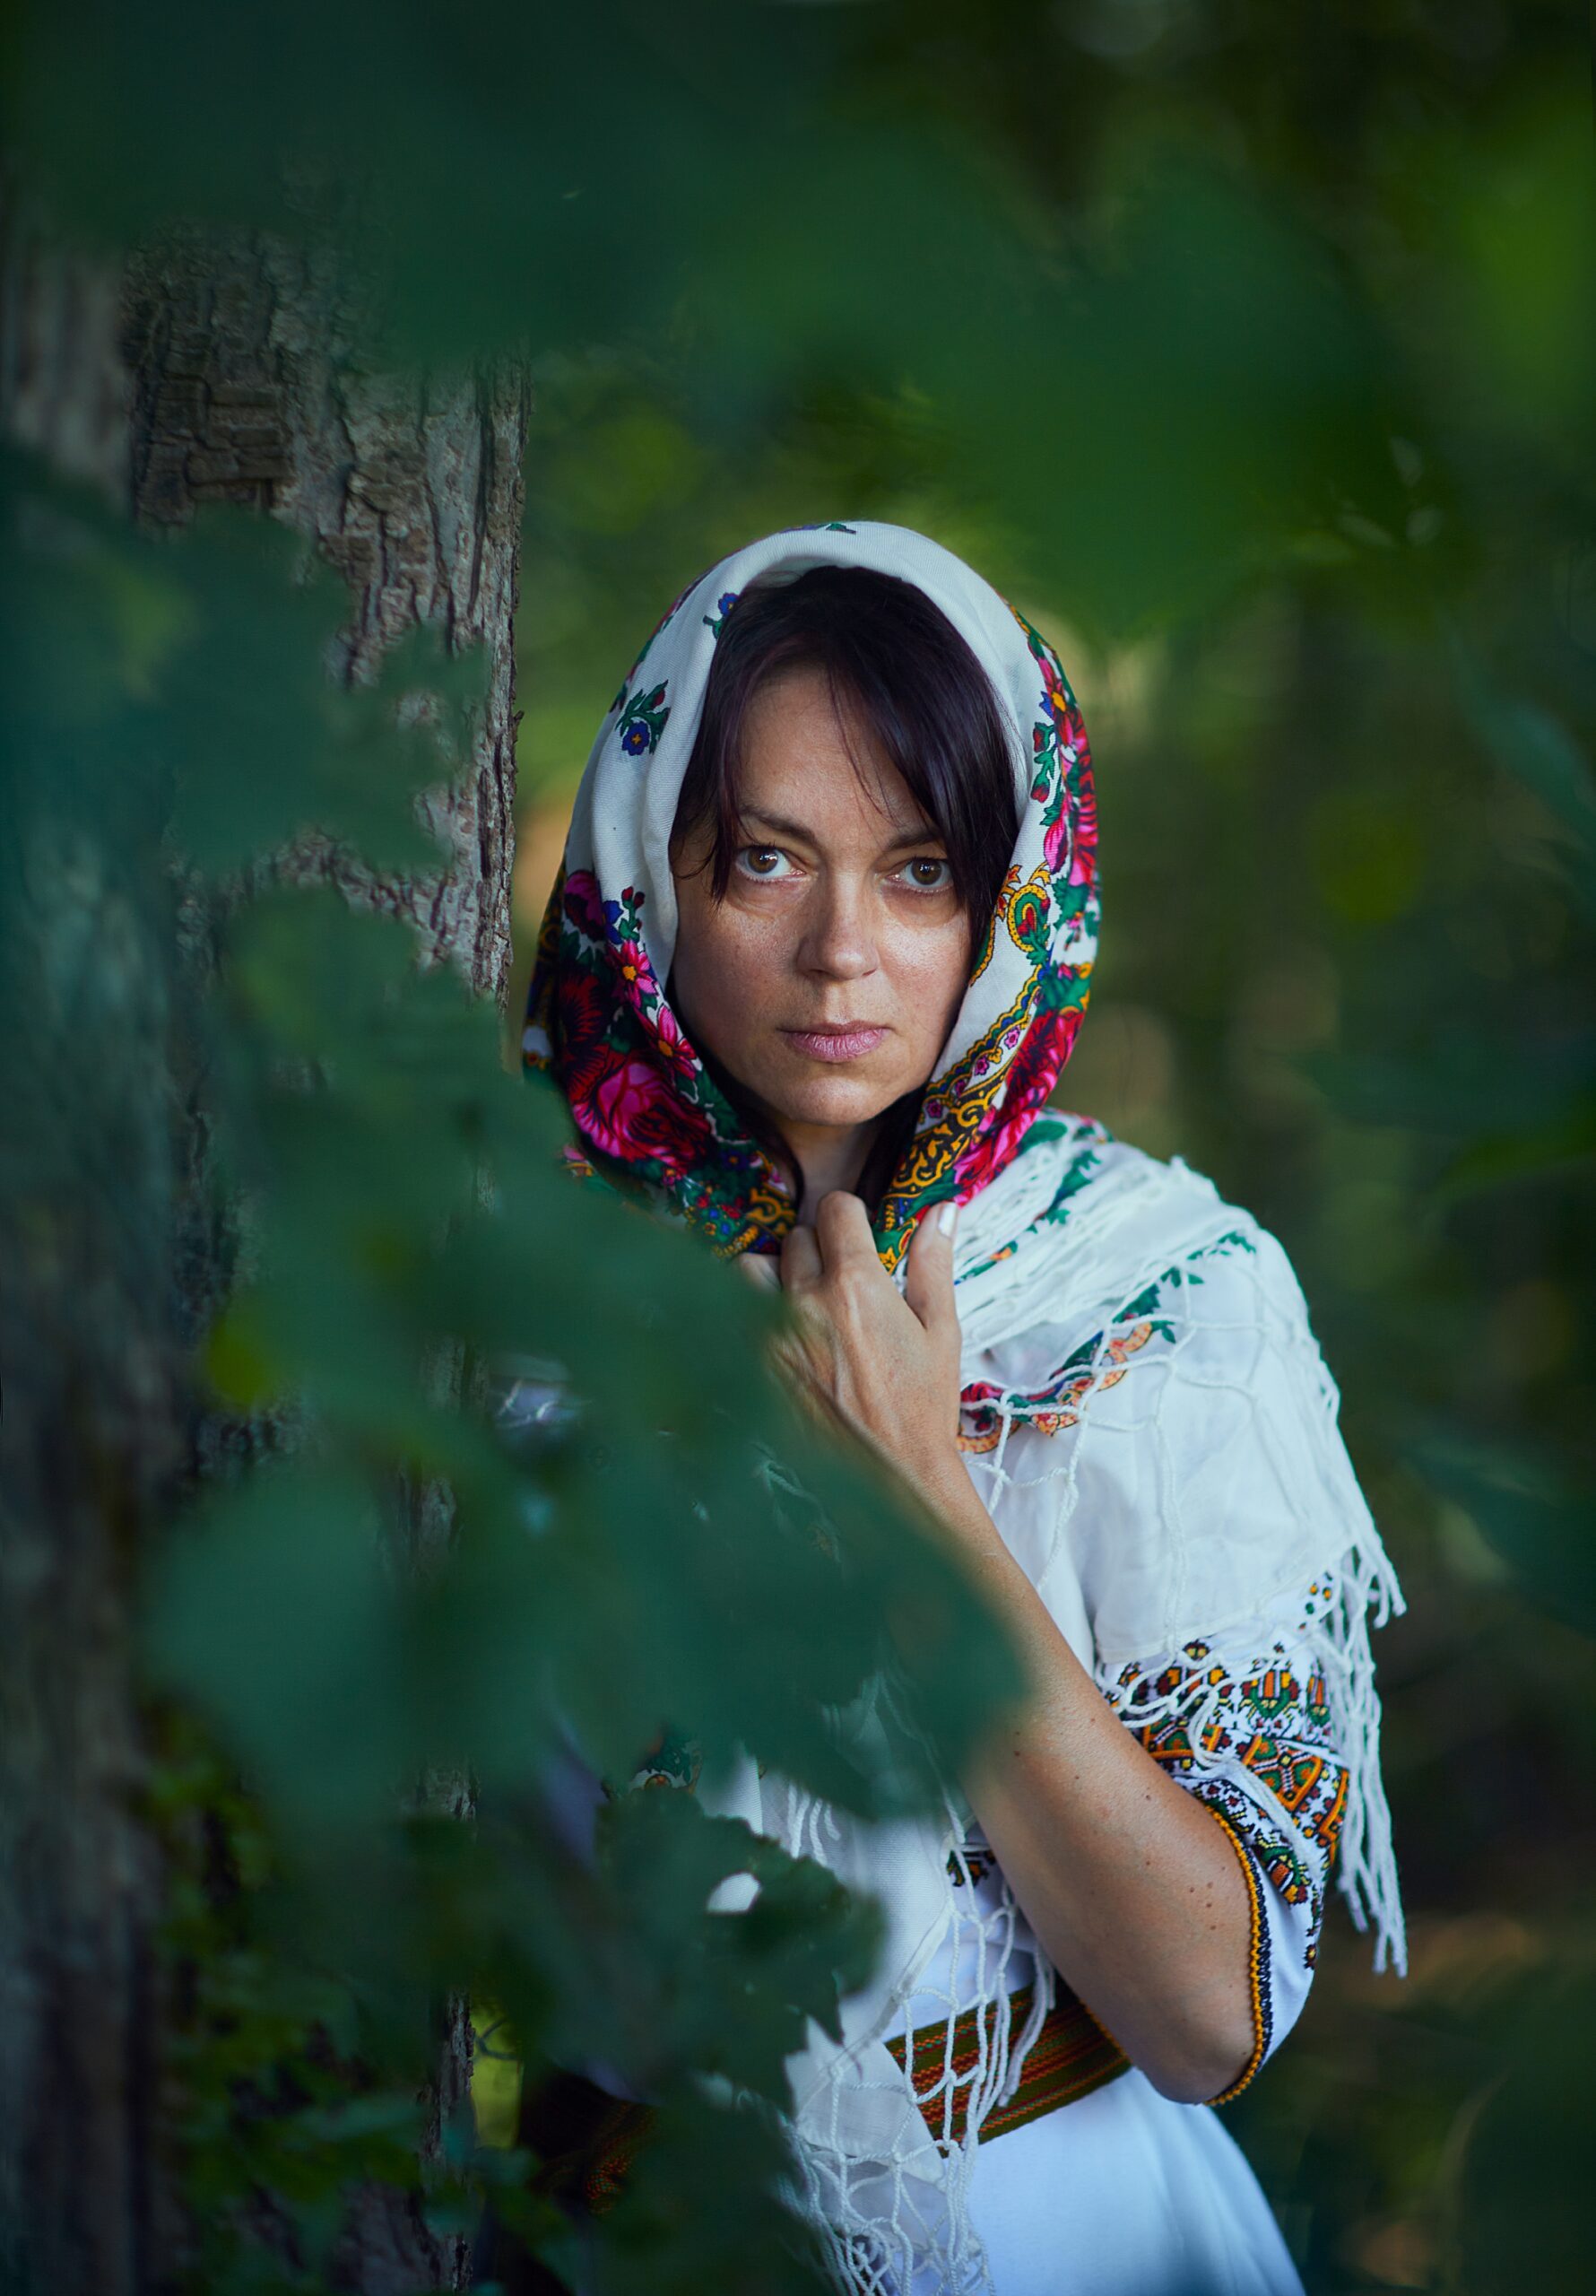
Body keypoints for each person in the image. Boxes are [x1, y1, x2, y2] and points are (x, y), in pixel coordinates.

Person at [518, 521, 1406, 2296]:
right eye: (764, 857)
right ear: (649, 865)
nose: (841, 947)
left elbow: (1200, 2008)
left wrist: (913, 1487)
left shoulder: (1160, 1294)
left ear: (1010, 897)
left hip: (1058, 2232)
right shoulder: (494, 1303)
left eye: (918, 870)